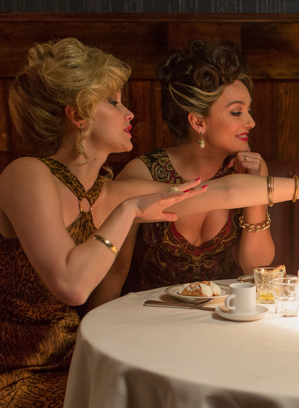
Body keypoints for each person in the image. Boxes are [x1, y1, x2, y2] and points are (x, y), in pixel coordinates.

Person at [0, 38, 299, 407]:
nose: (129, 113)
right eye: (114, 102)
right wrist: (129, 212)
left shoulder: (105, 190)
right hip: (3, 374)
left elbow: (223, 192)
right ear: (78, 115)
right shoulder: (28, 176)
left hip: (71, 359)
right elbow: (72, 285)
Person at [89, 40, 271, 309]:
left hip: (224, 316)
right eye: (237, 112)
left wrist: (256, 192)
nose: (251, 122)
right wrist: (95, 326)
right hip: (153, 317)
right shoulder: (144, 174)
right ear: (198, 122)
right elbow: (115, 272)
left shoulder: (251, 168)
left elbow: (255, 267)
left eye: (248, 111)